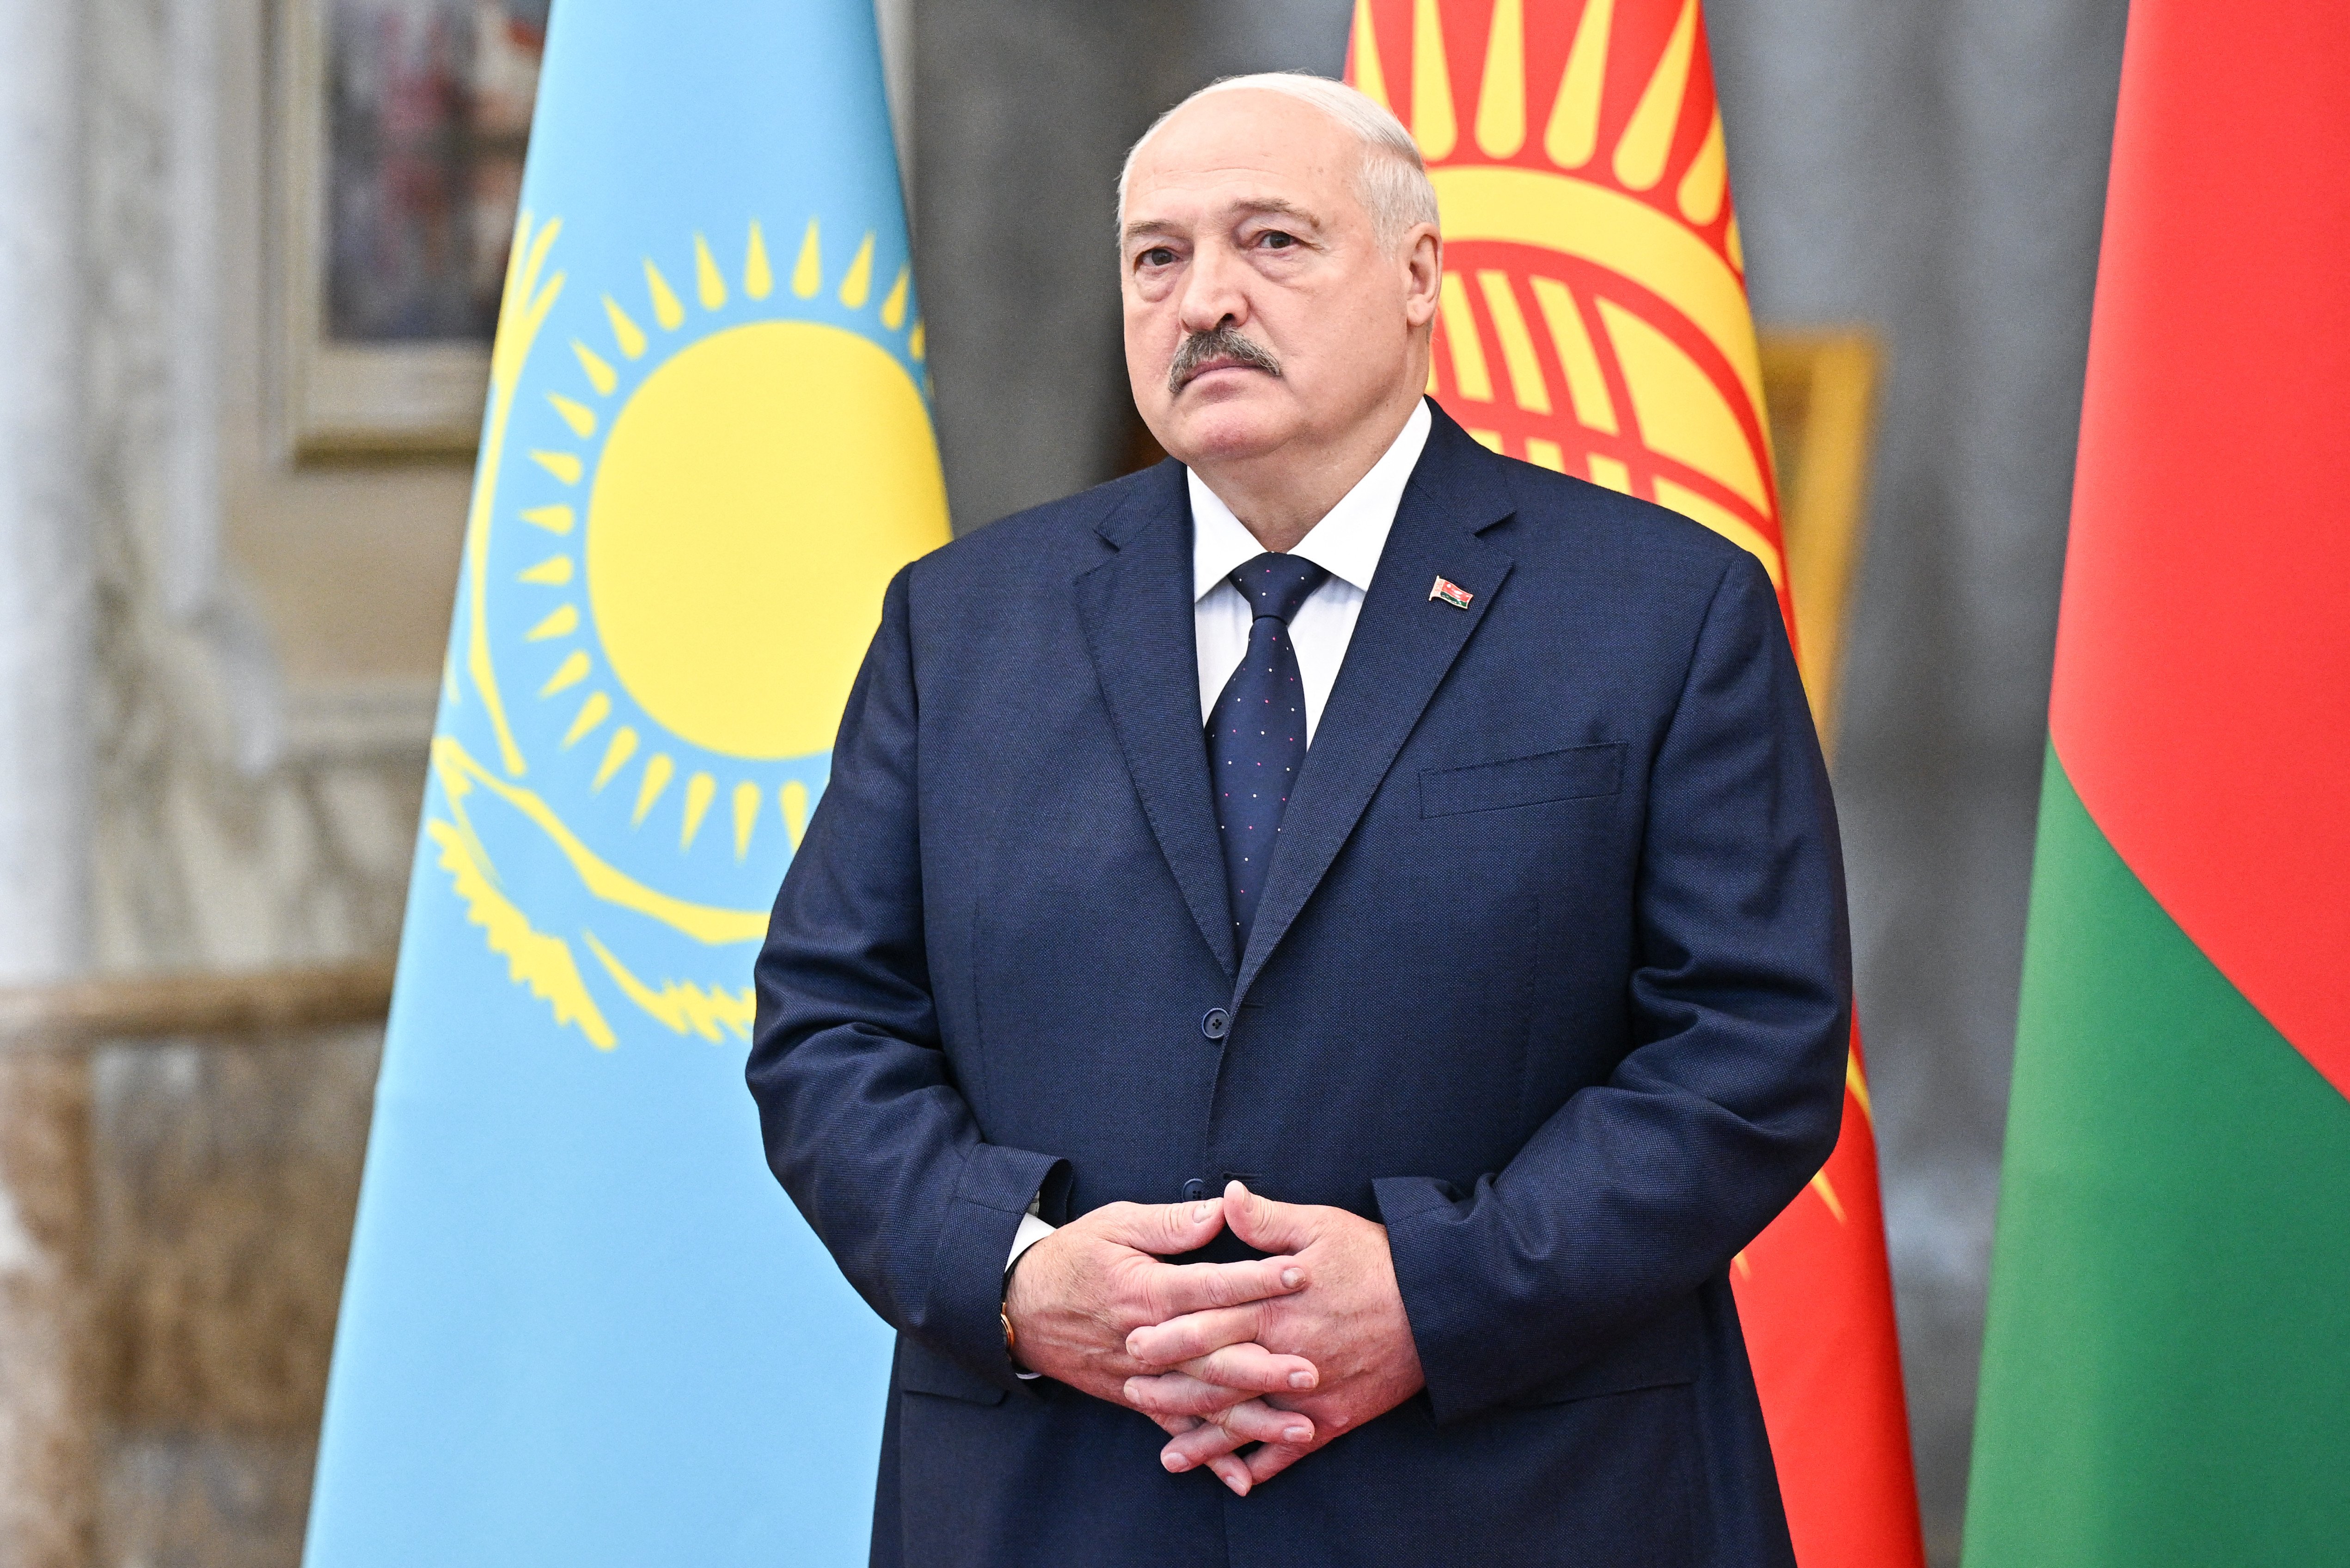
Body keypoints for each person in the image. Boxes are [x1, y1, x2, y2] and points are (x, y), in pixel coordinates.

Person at [748, 70, 1849, 1568]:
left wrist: (1439, 1293)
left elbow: (1749, 1046)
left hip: (1519, 1496)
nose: (1204, 299)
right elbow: (828, 1025)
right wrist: (1013, 1273)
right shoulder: (961, 624)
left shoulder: (1660, 610)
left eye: (1270, 241)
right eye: (1157, 257)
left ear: (1417, 276)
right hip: (1057, 1501)